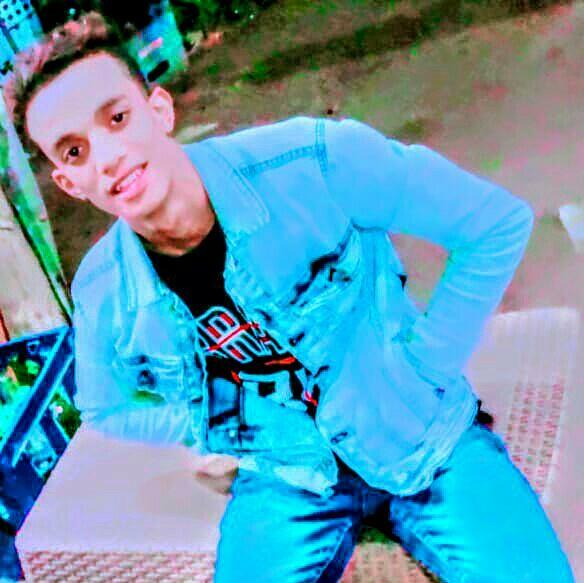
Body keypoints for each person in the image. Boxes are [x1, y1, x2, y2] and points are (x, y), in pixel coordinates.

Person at [4, 11, 574, 582]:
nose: (107, 156)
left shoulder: (315, 161)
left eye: (117, 118)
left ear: (159, 110)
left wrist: (425, 364)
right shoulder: (104, 290)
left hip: (422, 434)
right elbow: (106, 406)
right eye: (74, 151)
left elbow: (494, 224)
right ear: (68, 184)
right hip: (285, 474)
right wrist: (209, 424)